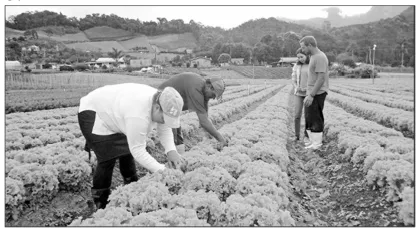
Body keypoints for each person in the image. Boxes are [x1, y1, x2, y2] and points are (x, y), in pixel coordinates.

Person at [78, 83, 184, 209]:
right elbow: (138, 150)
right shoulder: (138, 114)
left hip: (117, 111)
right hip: (94, 112)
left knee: (126, 152)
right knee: (107, 159)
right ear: (156, 108)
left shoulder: (162, 101)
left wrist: (171, 150)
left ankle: (131, 186)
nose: (164, 121)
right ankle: (101, 202)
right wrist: (162, 170)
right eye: (163, 117)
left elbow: (165, 128)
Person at [158, 72, 227, 153]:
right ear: (209, 87)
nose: (213, 98)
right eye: (213, 95)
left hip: (172, 107)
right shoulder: (196, 88)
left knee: (177, 133)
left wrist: (210, 137)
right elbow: (204, 122)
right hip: (162, 99)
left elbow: (205, 119)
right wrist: (221, 139)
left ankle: (180, 156)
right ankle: (172, 159)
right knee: (172, 134)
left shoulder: (203, 91)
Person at [299, 36, 329, 150]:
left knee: (316, 117)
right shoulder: (314, 56)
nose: (302, 50)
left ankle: (317, 144)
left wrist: (311, 95)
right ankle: (312, 141)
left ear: (310, 45)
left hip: (317, 93)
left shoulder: (320, 57)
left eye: (303, 47)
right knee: (309, 116)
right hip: (311, 92)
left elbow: (321, 79)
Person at [291, 48, 310, 144]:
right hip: (298, 93)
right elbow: (293, 79)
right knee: (297, 115)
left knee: (307, 116)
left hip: (308, 94)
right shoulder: (296, 66)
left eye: (301, 57)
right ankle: (297, 136)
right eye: (298, 57)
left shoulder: (311, 65)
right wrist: (296, 87)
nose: (300, 59)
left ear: (307, 55)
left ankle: (307, 136)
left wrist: (308, 89)